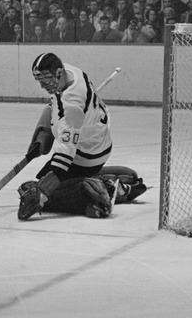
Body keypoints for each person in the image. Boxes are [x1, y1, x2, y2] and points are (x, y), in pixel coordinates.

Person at [16, 52, 146, 221]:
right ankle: (115, 182)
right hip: (97, 143)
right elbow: (54, 103)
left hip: (85, 155)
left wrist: (42, 193)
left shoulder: (72, 107)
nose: (43, 85)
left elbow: (64, 158)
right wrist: (44, 131)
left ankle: (100, 193)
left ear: (59, 73)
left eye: (46, 79)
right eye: (39, 80)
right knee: (48, 182)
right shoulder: (70, 71)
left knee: (38, 188)